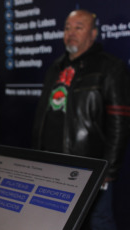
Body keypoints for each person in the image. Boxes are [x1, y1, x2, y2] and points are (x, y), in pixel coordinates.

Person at [32, 9, 130, 230]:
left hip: (90, 167)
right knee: (56, 220)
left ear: (93, 33)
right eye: (67, 27)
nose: (71, 32)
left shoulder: (110, 67)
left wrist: (109, 171)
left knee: (98, 221)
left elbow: (119, 124)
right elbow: (43, 116)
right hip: (52, 165)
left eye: (79, 27)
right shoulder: (55, 67)